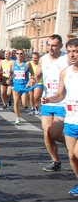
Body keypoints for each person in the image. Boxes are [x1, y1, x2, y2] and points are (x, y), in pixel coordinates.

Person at [42, 37, 78, 195]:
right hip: (70, 119)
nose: (72, 55)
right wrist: (50, 98)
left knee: (76, 152)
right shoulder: (65, 72)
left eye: (76, 51)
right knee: (72, 156)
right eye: (70, 51)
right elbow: (60, 95)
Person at [32, 35, 68, 172]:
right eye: (49, 45)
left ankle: (72, 142)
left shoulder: (66, 58)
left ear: (60, 46)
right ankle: (55, 161)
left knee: (55, 133)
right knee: (47, 133)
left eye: (54, 45)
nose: (51, 48)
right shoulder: (43, 59)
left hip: (62, 102)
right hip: (47, 101)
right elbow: (38, 74)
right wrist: (34, 79)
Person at [10, 49, 34, 125]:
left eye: (21, 54)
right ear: (15, 55)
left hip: (24, 86)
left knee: (23, 104)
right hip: (16, 85)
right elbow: (11, 74)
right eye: (17, 54)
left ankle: (26, 106)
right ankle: (17, 118)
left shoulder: (27, 64)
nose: (19, 55)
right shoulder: (12, 63)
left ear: (24, 55)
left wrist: (30, 81)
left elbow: (32, 74)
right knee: (16, 102)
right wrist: (9, 79)